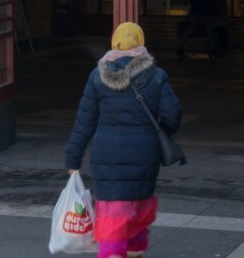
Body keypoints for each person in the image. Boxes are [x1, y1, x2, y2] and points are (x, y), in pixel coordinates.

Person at [65, 22, 182, 258]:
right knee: (138, 209)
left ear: (114, 43)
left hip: (106, 153)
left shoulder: (97, 76)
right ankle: (135, 252)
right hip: (145, 152)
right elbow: (173, 113)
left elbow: (85, 121)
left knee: (111, 216)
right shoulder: (156, 75)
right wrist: (159, 131)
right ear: (140, 43)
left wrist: (73, 158)